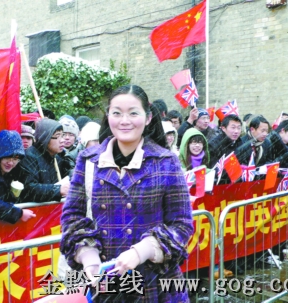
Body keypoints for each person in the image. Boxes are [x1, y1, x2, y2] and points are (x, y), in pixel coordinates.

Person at [60, 85, 194, 302]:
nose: (124, 120)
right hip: (104, 285)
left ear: (148, 118)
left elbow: (182, 224)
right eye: (116, 113)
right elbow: (72, 217)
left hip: (155, 284)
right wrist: (88, 256)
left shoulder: (166, 162)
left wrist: (144, 250)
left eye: (133, 113)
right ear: (108, 116)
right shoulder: (88, 160)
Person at [20, 119, 72, 202]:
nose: (62, 140)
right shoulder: (28, 157)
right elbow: (29, 189)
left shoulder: (57, 158)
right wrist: (57, 190)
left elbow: (68, 175)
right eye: (57, 136)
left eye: (62, 135)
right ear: (45, 138)